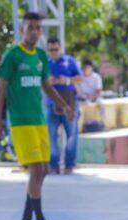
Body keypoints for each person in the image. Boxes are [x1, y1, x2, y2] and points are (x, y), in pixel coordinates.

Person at [0, 12, 74, 220]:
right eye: (31, 28)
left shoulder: (40, 56)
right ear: (22, 30)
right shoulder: (12, 55)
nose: (35, 32)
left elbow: (47, 86)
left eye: (38, 28)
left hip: (39, 120)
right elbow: (1, 88)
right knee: (36, 169)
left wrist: (64, 106)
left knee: (44, 170)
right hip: (20, 122)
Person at [45, 37, 82, 175]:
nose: (54, 52)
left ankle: (69, 164)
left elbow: (80, 78)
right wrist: (49, 82)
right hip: (51, 103)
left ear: (60, 48)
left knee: (72, 134)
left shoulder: (69, 61)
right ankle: (53, 164)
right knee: (51, 136)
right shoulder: (45, 64)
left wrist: (66, 80)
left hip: (69, 103)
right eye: (51, 50)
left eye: (56, 49)